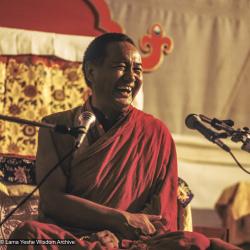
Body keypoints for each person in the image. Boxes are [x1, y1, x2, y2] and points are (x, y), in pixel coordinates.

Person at [8, 33, 241, 250]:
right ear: (91, 72)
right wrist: (117, 220)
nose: (132, 77)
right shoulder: (56, 126)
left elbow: (162, 215)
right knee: (28, 235)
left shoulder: (155, 132)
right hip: (74, 239)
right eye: (120, 67)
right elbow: (52, 202)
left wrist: (120, 234)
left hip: (132, 242)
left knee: (195, 242)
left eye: (137, 69)